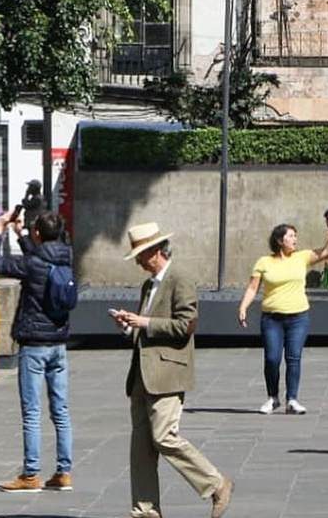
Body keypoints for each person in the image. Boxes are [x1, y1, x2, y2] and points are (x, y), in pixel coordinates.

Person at [111, 222, 233, 518]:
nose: (138, 261)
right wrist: (130, 325)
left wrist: (145, 323)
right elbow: (145, 327)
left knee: (164, 436)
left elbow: (186, 325)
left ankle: (215, 483)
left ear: (155, 251)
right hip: (142, 374)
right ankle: (145, 510)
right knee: (140, 448)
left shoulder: (180, 279)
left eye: (140, 255)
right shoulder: (148, 285)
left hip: (167, 374)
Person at [0, 208, 74, 493]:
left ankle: (31, 474)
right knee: (61, 410)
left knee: (32, 412)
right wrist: (21, 233)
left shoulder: (33, 264)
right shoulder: (67, 257)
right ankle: (64, 471)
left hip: (34, 345)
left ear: (39, 233)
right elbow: (38, 257)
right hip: (58, 344)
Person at [237, 223, 328, 414]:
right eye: (291, 236)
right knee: (272, 358)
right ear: (279, 240)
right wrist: (243, 307)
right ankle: (273, 398)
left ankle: (292, 399)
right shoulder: (264, 262)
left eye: (295, 236)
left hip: (298, 317)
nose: (295, 239)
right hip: (272, 319)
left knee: (293, 357)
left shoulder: (302, 257)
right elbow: (252, 288)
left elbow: (324, 252)